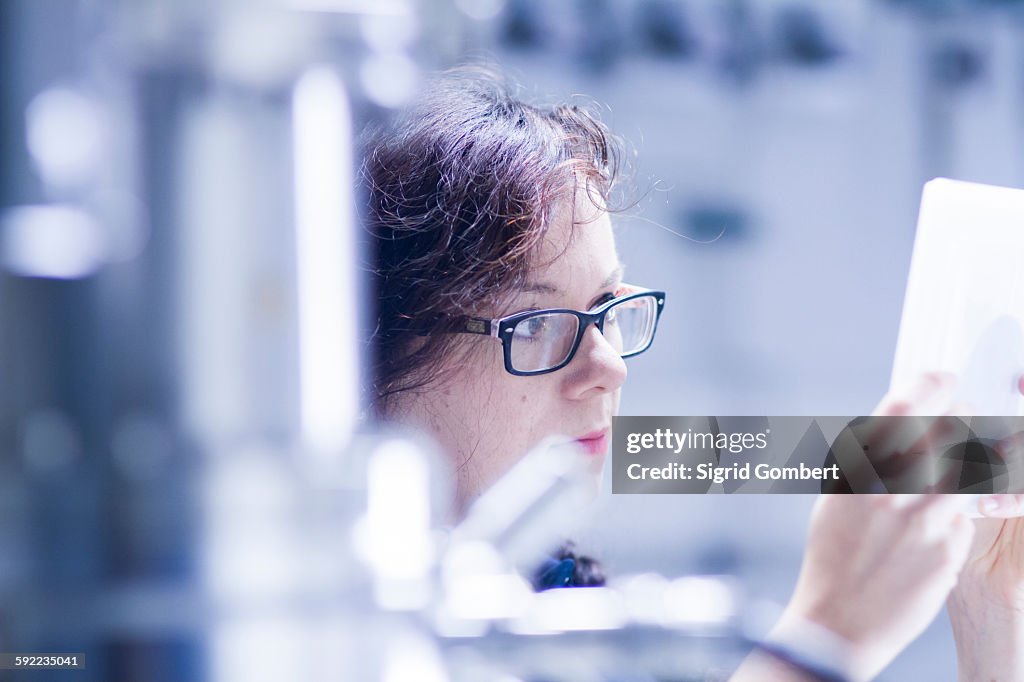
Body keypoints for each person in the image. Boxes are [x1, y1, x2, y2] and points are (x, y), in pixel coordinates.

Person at [361, 66, 1023, 681]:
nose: (608, 367)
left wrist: (989, 611)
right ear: (368, 359)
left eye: (605, 309)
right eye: (533, 322)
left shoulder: (547, 622)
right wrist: (828, 633)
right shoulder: (317, 643)